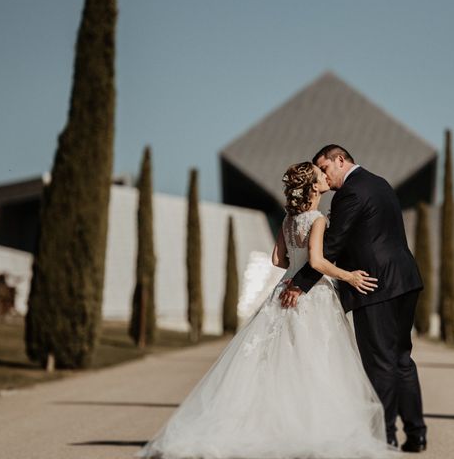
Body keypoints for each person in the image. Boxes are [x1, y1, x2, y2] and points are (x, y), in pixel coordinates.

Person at [135, 161, 399, 459]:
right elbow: (316, 262)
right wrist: (349, 275)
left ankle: (269, 424)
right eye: (321, 175)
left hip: (284, 288)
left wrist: (293, 269)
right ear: (314, 187)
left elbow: (277, 259)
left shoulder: (288, 219)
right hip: (311, 296)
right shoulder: (318, 220)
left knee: (277, 358)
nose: (326, 178)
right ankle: (307, 427)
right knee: (313, 359)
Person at [280, 145, 427, 452]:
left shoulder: (350, 192)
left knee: (380, 363)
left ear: (340, 160)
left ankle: (384, 437)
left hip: (374, 286)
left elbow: (332, 246)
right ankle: (416, 433)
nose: (323, 175)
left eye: (325, 168)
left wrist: (299, 285)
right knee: (401, 359)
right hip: (405, 279)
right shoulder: (379, 183)